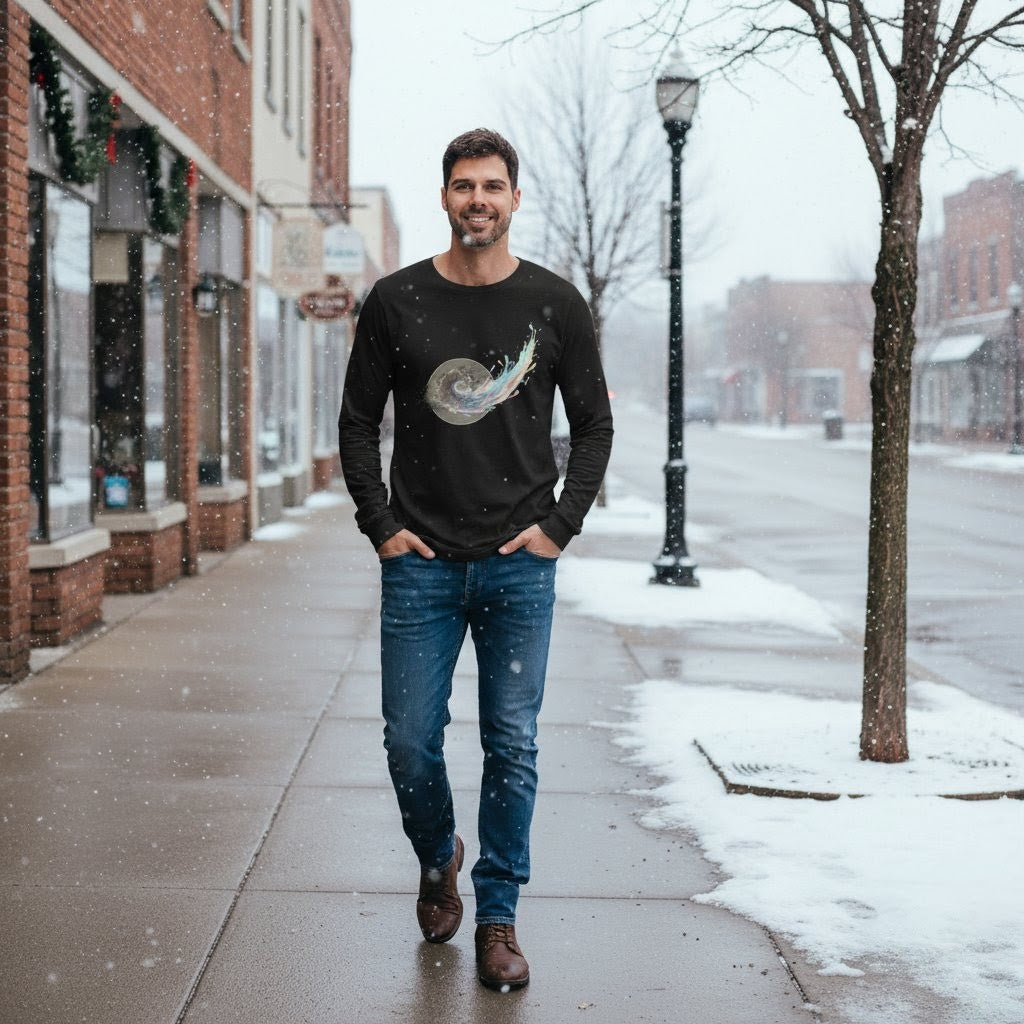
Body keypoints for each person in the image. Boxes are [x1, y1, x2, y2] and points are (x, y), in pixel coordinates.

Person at [338, 127, 613, 991]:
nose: (478, 200)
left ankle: (498, 917)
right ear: (446, 196)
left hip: (518, 565)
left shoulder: (557, 305)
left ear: (515, 198)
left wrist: (560, 527)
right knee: (409, 742)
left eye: (493, 186)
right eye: (464, 186)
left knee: (512, 743)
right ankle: (437, 854)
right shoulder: (395, 300)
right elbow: (356, 422)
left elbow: (595, 425)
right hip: (418, 563)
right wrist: (380, 525)